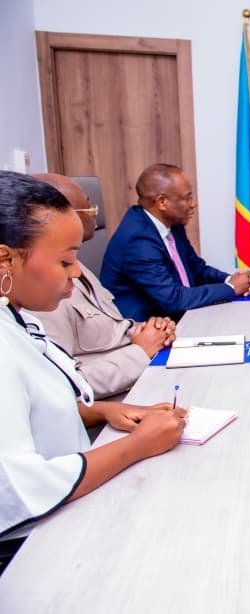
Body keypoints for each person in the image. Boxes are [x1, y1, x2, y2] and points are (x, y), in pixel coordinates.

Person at [0, 171, 187, 570]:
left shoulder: (17, 315)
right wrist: (138, 446)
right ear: (5, 260)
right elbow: (20, 488)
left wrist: (103, 410)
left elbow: (35, 402)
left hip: (69, 503)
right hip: (28, 551)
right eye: (65, 261)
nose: (75, 273)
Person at [24, 174, 175, 399]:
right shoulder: (39, 291)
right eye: (88, 207)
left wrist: (150, 330)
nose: (95, 211)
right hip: (115, 396)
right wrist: (141, 351)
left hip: (137, 372)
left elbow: (109, 328)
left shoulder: (76, 264)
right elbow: (67, 386)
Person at [101, 164, 250, 321]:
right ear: (162, 202)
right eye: (187, 197)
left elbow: (198, 270)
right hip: (148, 326)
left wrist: (231, 279)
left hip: (181, 316)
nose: (193, 204)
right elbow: (172, 299)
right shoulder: (138, 240)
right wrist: (231, 288)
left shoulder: (173, 224)